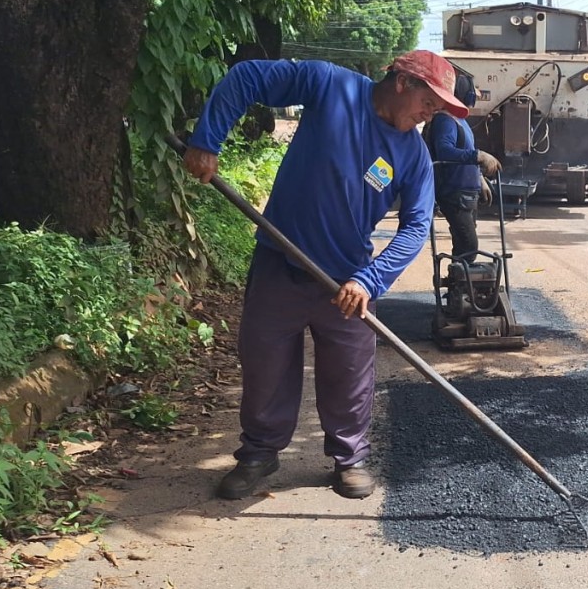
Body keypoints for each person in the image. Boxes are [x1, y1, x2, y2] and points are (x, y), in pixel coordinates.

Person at [182, 51, 469, 501]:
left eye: (438, 108)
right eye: (430, 101)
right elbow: (247, 77)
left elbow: (417, 226)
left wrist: (370, 281)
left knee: (350, 374)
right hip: (281, 261)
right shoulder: (330, 85)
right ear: (402, 83)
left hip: (348, 281)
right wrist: (207, 141)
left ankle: (349, 458)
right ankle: (259, 452)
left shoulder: (413, 154)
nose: (432, 113)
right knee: (265, 364)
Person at [425, 73, 501, 260]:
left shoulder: (460, 121)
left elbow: (465, 150)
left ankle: (462, 285)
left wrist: (479, 177)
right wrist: (478, 155)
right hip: (453, 193)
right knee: (469, 246)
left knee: (465, 246)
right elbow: (445, 151)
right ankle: (459, 285)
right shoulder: (445, 121)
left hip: (467, 192)